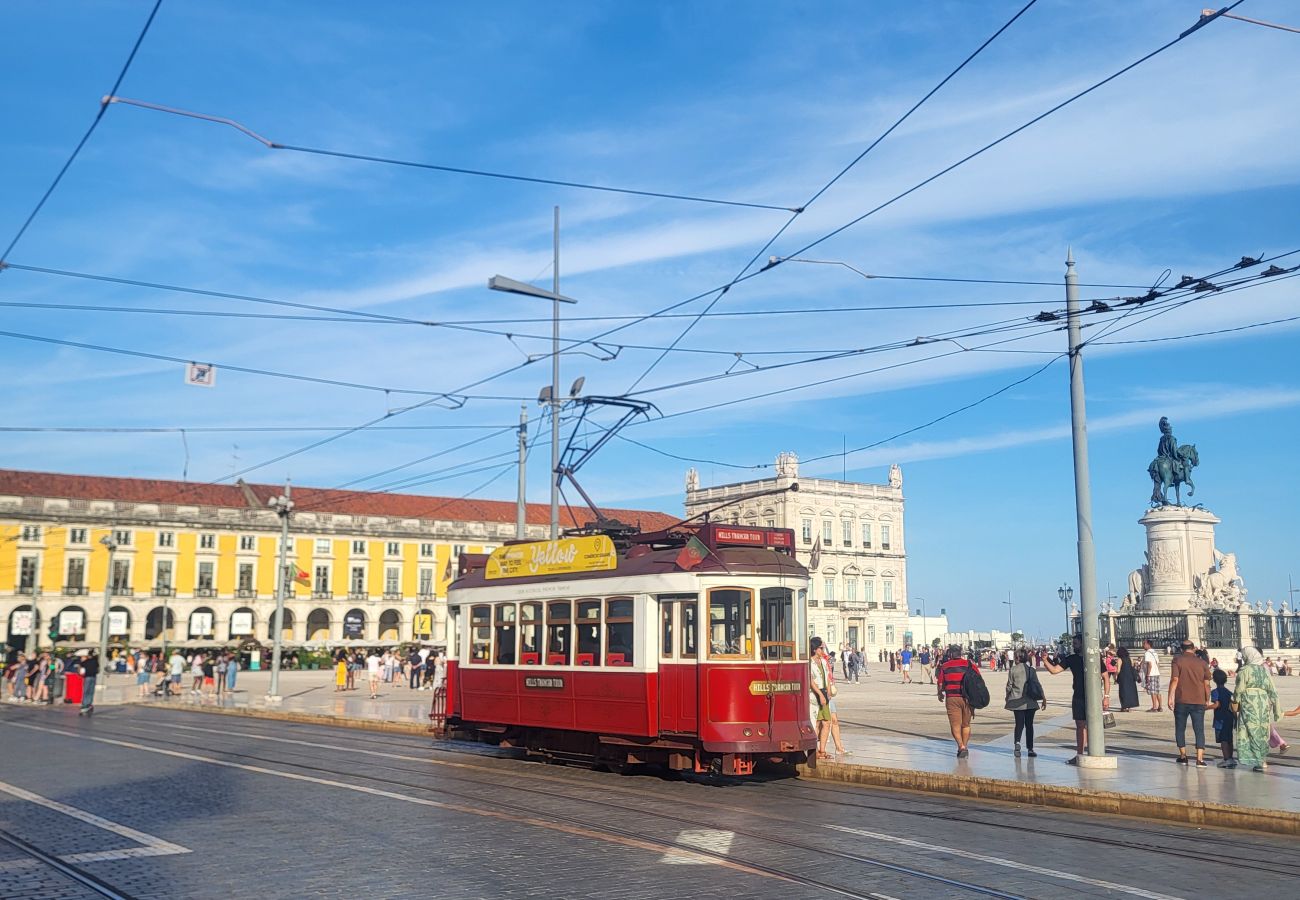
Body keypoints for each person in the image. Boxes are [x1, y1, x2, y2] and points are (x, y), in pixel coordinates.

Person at [1234, 646, 1281, 772]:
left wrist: (1235, 701)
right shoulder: (1264, 670)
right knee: (1262, 730)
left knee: (1251, 730)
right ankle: (1262, 759)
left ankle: (1257, 760)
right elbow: (1272, 690)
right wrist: (1277, 709)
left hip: (1249, 702)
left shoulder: (1245, 671)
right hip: (1263, 703)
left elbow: (1239, 689)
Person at [1167, 639, 1212, 767]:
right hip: (1198, 700)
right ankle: (1199, 759)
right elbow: (1207, 684)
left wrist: (1170, 697)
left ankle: (1183, 756)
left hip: (1181, 699)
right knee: (1199, 729)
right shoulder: (1202, 663)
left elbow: (1174, 679)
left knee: (1180, 728)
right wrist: (1207, 699)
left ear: (1181, 649)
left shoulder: (1177, 660)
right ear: (1193, 648)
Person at [1044, 635, 1088, 765]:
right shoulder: (1071, 659)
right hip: (1079, 695)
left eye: (1075, 643)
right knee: (1080, 726)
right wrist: (1045, 661)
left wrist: (1106, 696)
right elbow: (1054, 670)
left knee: (1092, 726)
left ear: (1082, 644)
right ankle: (1079, 755)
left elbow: (1105, 676)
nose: (1073, 646)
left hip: (1093, 696)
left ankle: (1093, 753)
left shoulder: (1093, 658)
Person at [936, 644, 977, 758]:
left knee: (955, 724)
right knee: (966, 724)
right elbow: (978, 680)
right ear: (961, 653)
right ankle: (965, 745)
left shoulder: (945, 666)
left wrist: (940, 694)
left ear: (950, 654)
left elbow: (940, 682)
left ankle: (961, 746)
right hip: (968, 699)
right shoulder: (969, 665)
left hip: (952, 698)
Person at [1005, 648, 1046, 757]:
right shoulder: (1031, 670)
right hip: (1031, 702)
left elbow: (1009, 685)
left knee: (1019, 724)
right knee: (1029, 725)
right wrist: (1043, 697)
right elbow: (1037, 684)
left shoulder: (1013, 670)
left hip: (1017, 701)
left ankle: (1017, 743)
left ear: (1017, 658)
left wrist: (1007, 697)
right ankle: (1030, 749)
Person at [808, 637, 832, 760]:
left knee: (827, 722)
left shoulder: (823, 661)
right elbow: (811, 681)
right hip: (814, 695)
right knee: (816, 723)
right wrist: (821, 695)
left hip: (824, 693)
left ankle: (823, 750)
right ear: (814, 649)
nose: (822, 650)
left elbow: (827, 677)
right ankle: (815, 751)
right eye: (820, 648)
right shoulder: (809, 663)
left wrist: (828, 690)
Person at [1207, 668, 1236, 768]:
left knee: (1223, 740)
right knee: (1229, 739)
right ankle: (1231, 758)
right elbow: (1233, 707)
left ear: (1214, 680)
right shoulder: (1229, 692)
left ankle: (1226, 759)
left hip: (1220, 719)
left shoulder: (1215, 692)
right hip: (1229, 717)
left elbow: (1216, 704)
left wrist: (1205, 708)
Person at [1116, 646, 1140, 712]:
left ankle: (1124, 706)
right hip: (1130, 677)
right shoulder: (1130, 659)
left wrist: (1115, 676)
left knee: (1123, 692)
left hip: (1123, 677)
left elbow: (1118, 670)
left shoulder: (1120, 659)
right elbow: (1132, 667)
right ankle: (1129, 706)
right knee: (1130, 691)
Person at [1142, 639, 1162, 712]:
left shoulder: (1147, 653)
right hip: (1156, 673)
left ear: (1148, 644)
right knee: (1157, 690)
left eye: (1144, 644)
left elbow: (1149, 664)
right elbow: (1157, 663)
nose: (1143, 645)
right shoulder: (1155, 652)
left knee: (1152, 691)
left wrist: (1147, 675)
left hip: (1151, 674)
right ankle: (1160, 706)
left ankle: (1154, 707)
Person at [78, 651, 99, 716]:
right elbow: (98, 669)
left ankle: (85, 705)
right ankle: (88, 704)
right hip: (93, 677)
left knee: (86, 691)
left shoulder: (87, 661)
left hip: (87, 677)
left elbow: (80, 665)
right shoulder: (96, 661)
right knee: (90, 691)